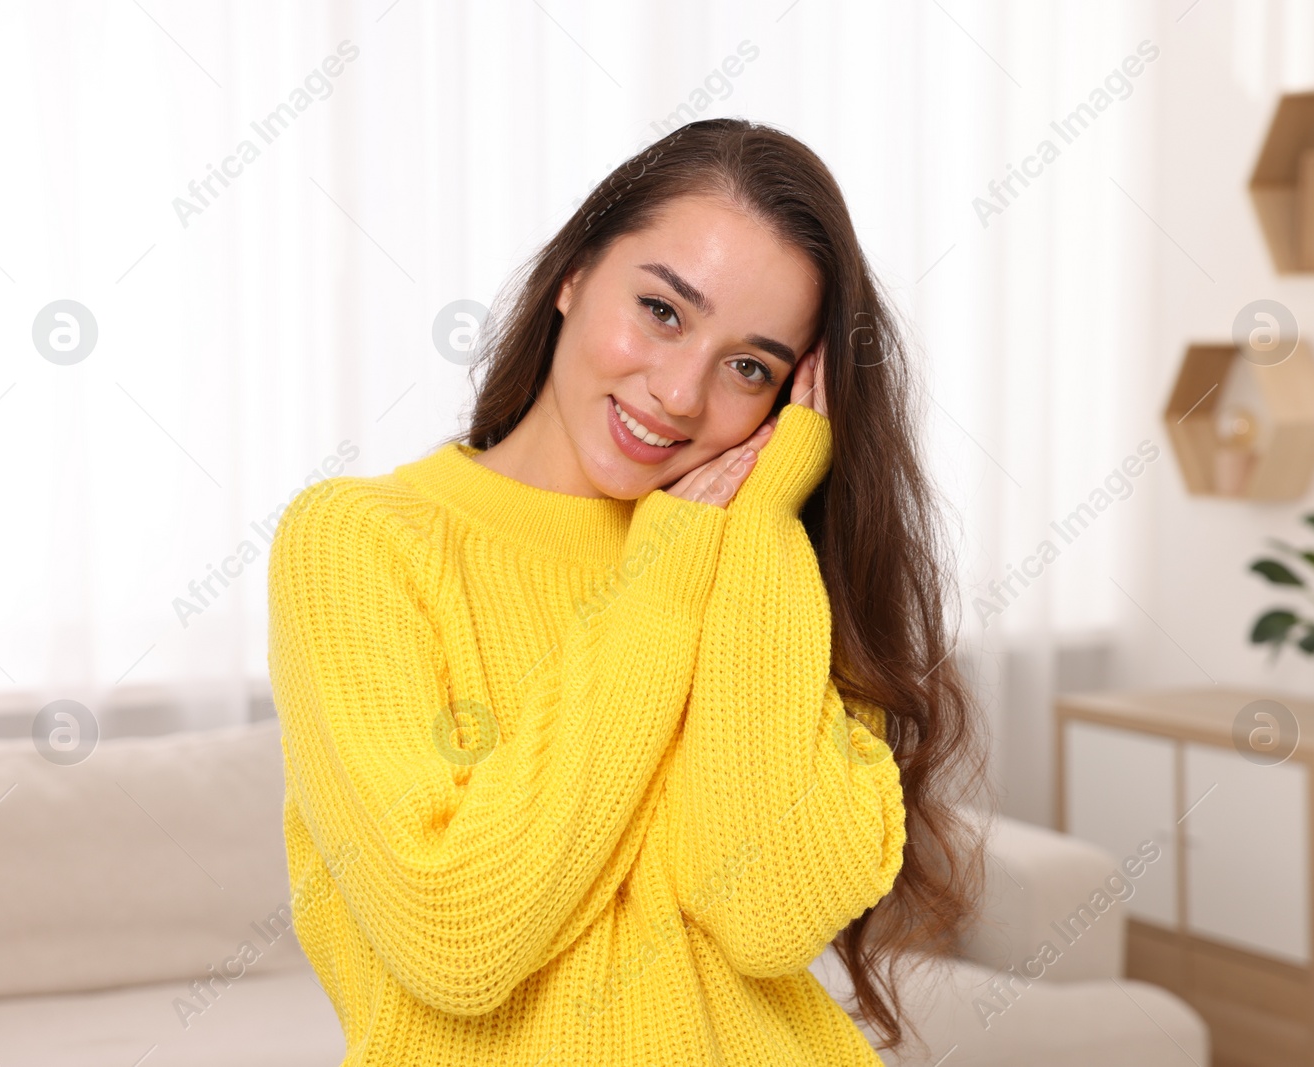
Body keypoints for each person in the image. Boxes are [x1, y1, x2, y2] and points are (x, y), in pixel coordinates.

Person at [267, 117, 987, 1065]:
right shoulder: (359, 541)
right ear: (573, 274)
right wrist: (667, 570)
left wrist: (761, 523)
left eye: (749, 366)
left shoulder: (764, 570)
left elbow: (769, 914)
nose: (682, 393)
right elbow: (455, 934)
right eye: (662, 310)